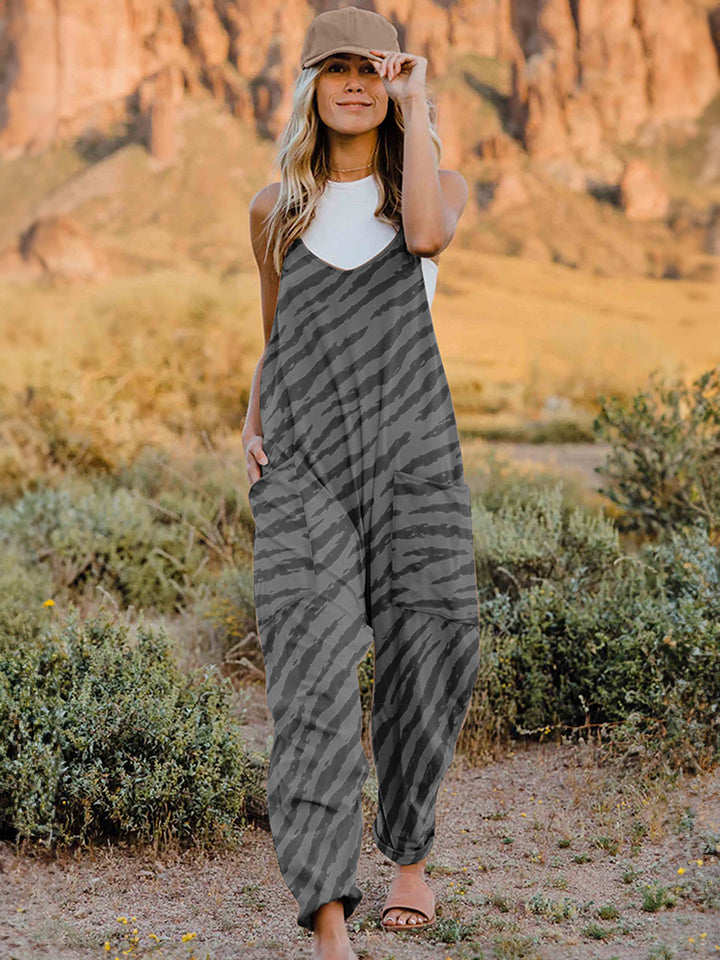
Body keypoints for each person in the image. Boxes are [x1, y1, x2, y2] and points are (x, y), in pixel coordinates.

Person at [242, 7, 480, 960]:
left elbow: (425, 237)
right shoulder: (275, 208)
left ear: (392, 80)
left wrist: (418, 104)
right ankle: (329, 917)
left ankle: (409, 855)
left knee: (435, 642)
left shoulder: (435, 186)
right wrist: (248, 422)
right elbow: (274, 336)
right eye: (333, 68)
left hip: (413, 452)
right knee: (310, 676)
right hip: (303, 463)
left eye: (370, 69)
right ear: (309, 85)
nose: (353, 84)